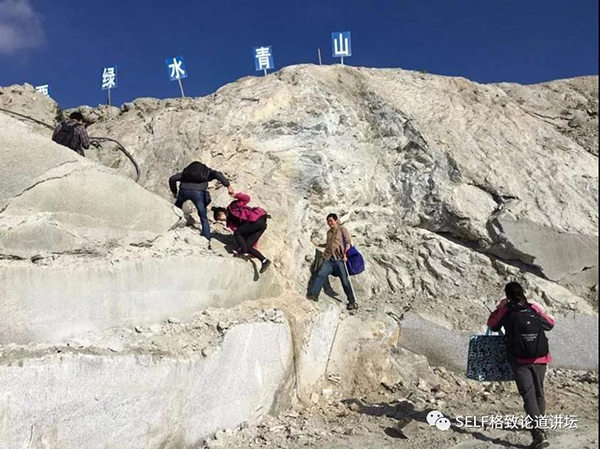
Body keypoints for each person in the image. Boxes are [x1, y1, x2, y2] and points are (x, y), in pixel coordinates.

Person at [488, 282, 555, 449]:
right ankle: (540, 428)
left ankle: (538, 434)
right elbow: (550, 324)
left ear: (507, 295)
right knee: (539, 393)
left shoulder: (506, 310)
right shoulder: (533, 307)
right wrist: (539, 308)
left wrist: (499, 308)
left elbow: (493, 326)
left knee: (528, 394)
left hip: (519, 360)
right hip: (540, 357)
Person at [169, 161, 234, 244]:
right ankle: (206, 238)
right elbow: (218, 174)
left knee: (177, 208)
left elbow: (172, 178)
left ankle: (172, 226)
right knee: (203, 217)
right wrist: (228, 186)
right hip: (198, 193)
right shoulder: (206, 172)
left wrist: (174, 191)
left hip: (184, 191)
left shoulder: (186, 174)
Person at [212, 191, 272, 274]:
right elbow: (244, 235)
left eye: (220, 216)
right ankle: (264, 261)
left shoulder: (233, 207)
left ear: (222, 212)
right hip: (259, 227)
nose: (221, 219)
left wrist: (236, 195)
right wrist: (248, 247)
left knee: (237, 233)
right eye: (219, 219)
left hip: (257, 219)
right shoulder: (230, 224)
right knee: (248, 245)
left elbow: (246, 199)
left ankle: (244, 253)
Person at [308, 213, 357, 311]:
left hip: (339, 259)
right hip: (329, 259)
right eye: (328, 221)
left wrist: (345, 254)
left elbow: (348, 242)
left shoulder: (342, 230)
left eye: (331, 221)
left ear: (336, 220)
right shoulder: (329, 233)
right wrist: (318, 244)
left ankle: (352, 302)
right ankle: (314, 294)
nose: (329, 223)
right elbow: (328, 244)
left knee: (345, 281)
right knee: (321, 274)